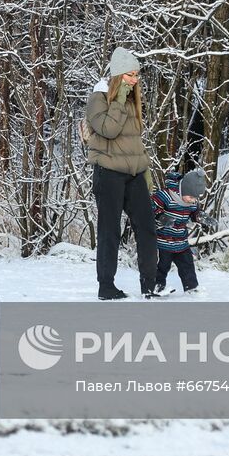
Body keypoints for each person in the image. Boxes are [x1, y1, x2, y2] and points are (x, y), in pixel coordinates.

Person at [85, 46, 159, 300]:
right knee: (110, 230)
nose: (135, 80)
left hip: (134, 174)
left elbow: (134, 140)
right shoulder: (99, 98)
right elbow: (108, 129)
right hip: (108, 174)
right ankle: (106, 286)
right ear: (118, 75)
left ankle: (150, 285)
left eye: (137, 75)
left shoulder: (130, 100)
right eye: (130, 75)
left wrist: (145, 169)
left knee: (147, 226)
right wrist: (117, 100)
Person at [153, 169, 206, 296]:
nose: (193, 200)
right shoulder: (166, 196)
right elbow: (151, 206)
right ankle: (156, 286)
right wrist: (161, 217)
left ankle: (191, 287)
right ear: (184, 189)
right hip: (164, 240)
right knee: (162, 266)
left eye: (196, 198)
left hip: (181, 241)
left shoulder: (191, 202)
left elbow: (195, 213)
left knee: (187, 264)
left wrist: (202, 217)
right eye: (191, 197)